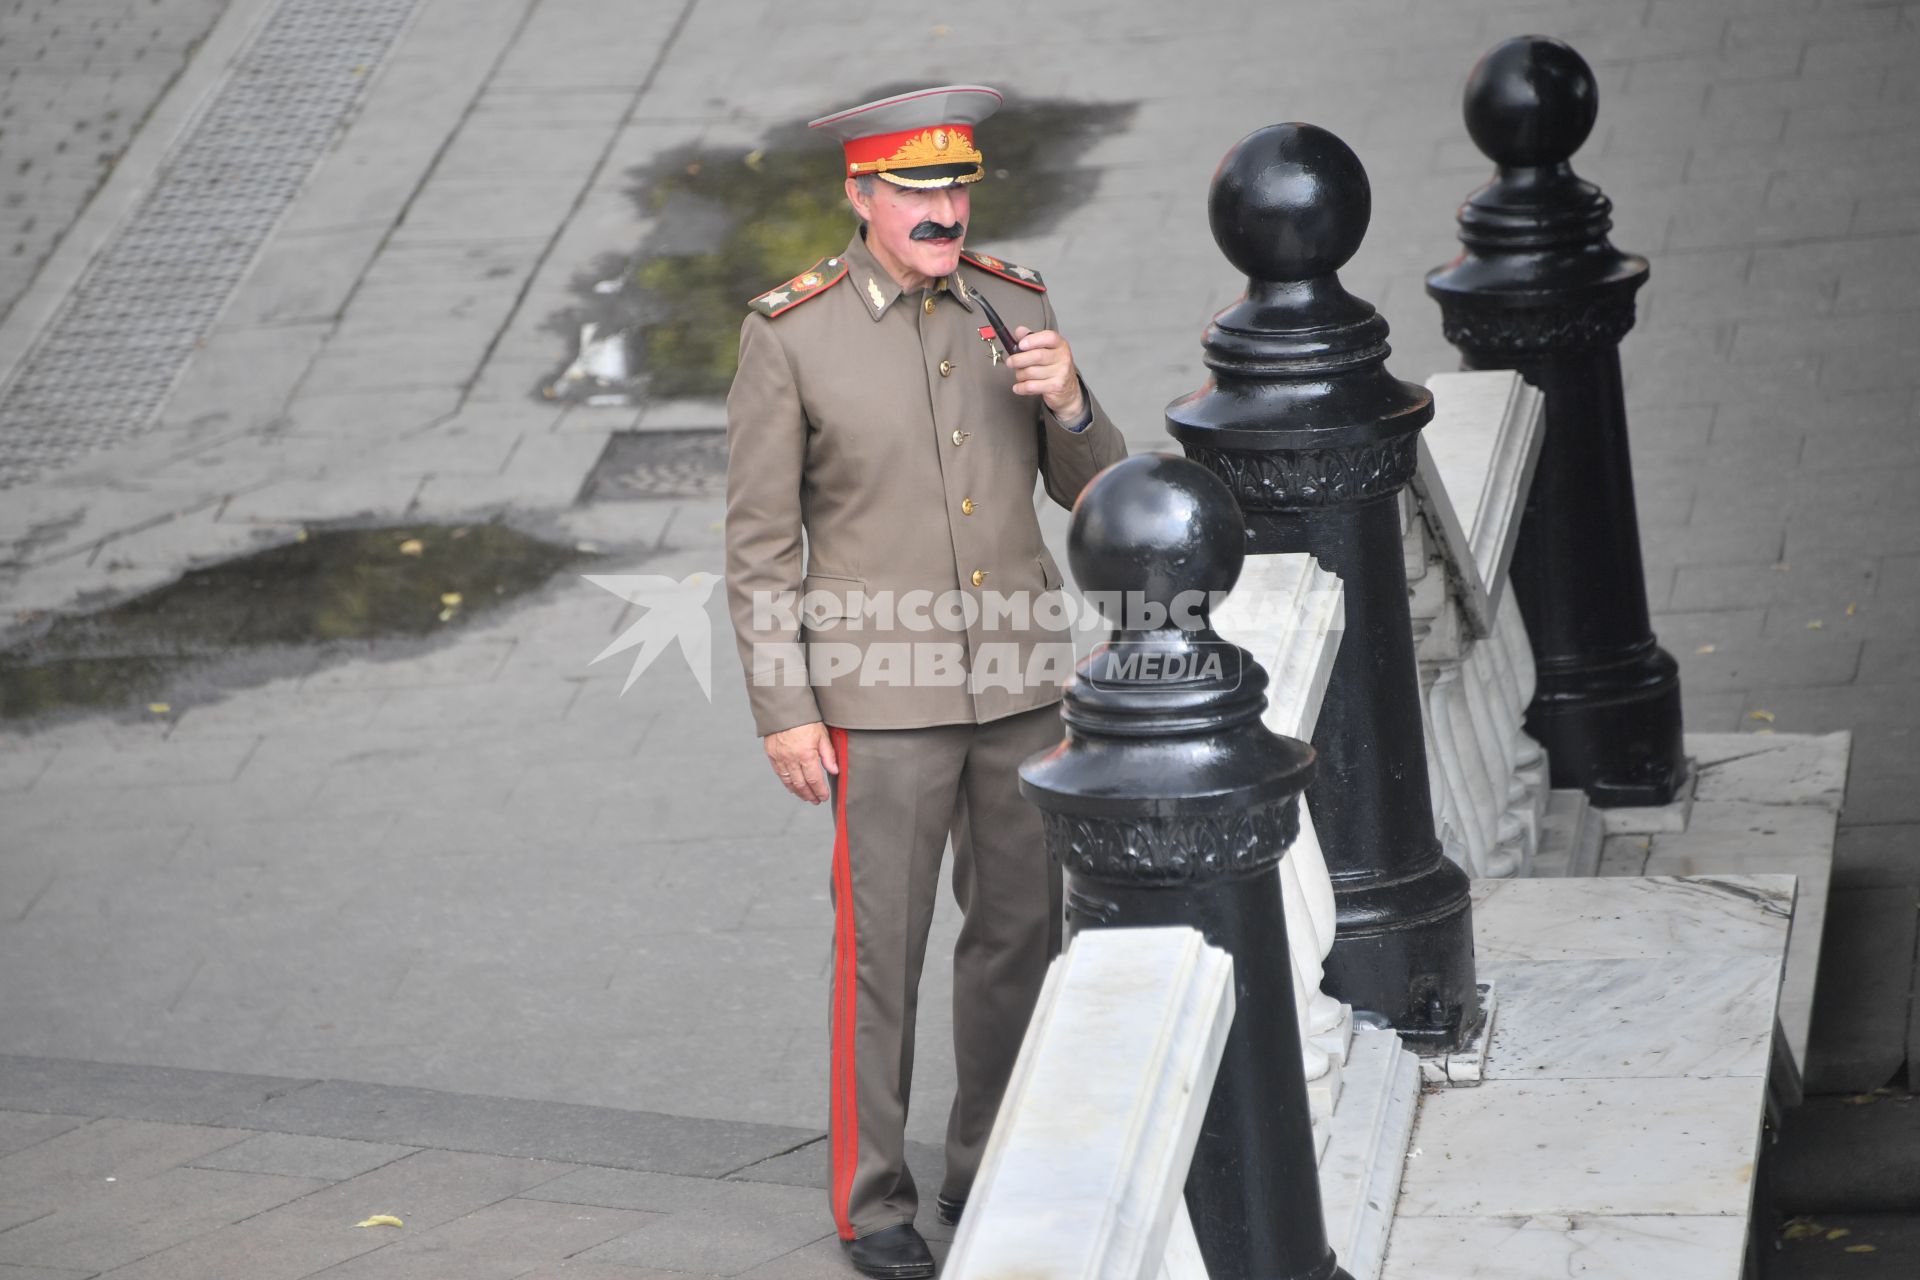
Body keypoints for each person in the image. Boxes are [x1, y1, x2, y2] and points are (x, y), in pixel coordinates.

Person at [723, 84, 1127, 1278]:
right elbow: (757, 547)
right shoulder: (790, 332)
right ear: (862, 196)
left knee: (1019, 935)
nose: (942, 209)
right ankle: (872, 1198)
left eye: (955, 187)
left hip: (1021, 688)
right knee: (880, 956)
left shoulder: (1016, 302)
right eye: (916, 190)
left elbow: (1094, 494)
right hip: (878, 702)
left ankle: (990, 1158)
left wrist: (1072, 401)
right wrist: (785, 709)